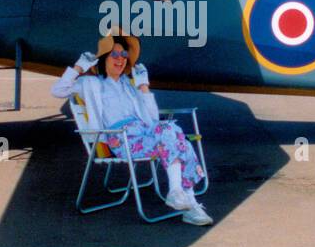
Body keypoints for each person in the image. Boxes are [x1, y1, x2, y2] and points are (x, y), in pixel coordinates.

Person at [51, 34, 210, 225]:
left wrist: (143, 86)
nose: (120, 59)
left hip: (144, 133)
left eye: (124, 54)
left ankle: (178, 194)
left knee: (173, 133)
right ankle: (189, 203)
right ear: (104, 58)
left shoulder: (129, 85)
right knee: (177, 138)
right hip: (120, 138)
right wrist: (78, 67)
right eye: (115, 54)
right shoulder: (90, 83)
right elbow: (58, 90)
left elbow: (152, 119)